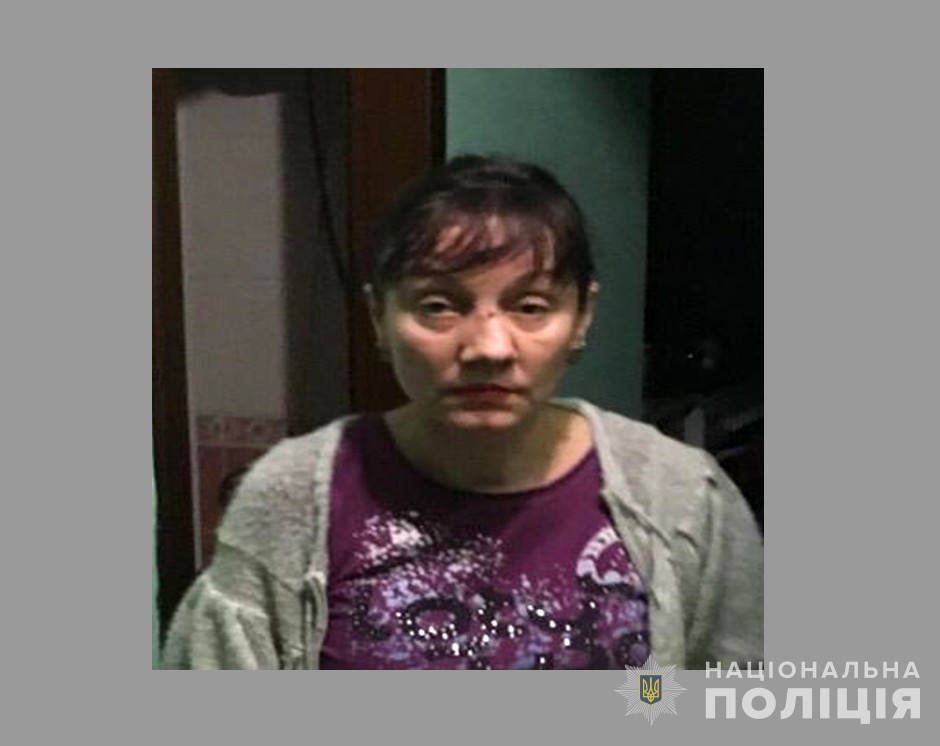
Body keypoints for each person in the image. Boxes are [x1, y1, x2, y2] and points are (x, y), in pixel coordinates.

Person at [162, 154, 763, 670]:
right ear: (379, 318)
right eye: (438, 307)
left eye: (531, 307)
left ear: (581, 317)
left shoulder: (683, 497)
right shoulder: (290, 498)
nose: (489, 348)